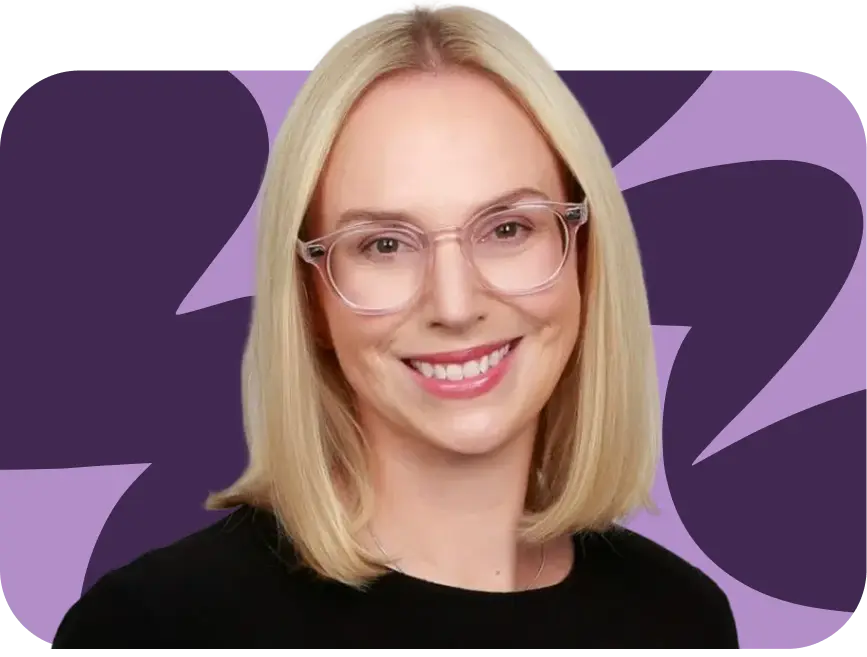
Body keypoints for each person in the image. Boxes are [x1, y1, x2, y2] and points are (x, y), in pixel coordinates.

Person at [52, 1, 739, 654]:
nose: (454, 301)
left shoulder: (680, 618)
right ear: (310, 296)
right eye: (383, 244)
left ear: (584, 261)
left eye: (507, 228)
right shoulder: (154, 631)